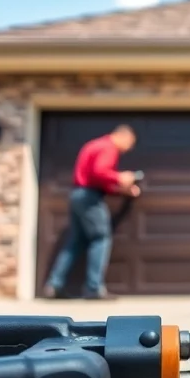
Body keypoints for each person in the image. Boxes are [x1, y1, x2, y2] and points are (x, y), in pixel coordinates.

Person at [42, 124, 140, 299]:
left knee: (75, 242)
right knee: (101, 237)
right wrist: (120, 177)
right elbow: (100, 171)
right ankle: (93, 288)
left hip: (78, 195)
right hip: (89, 197)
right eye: (129, 144)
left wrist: (121, 190)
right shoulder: (108, 147)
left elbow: (96, 178)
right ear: (123, 137)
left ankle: (54, 285)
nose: (127, 149)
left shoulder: (93, 145)